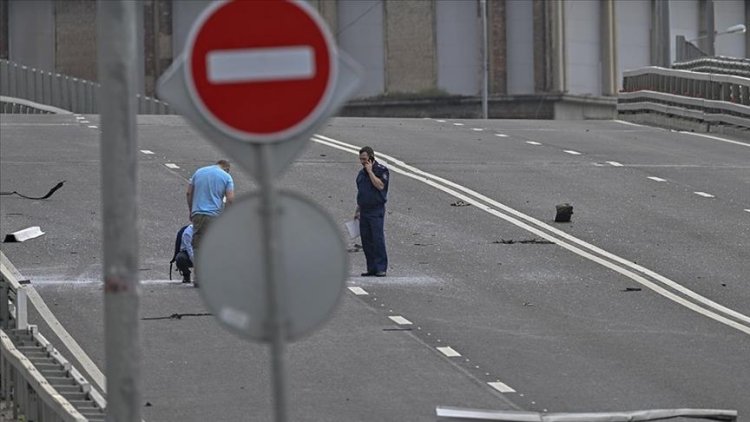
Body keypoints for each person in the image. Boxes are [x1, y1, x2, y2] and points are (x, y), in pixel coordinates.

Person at [186, 160, 234, 286]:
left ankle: (198, 277)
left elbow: (188, 192)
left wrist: (191, 210)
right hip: (214, 215)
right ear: (226, 169)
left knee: (197, 245)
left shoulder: (198, 172)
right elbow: (230, 199)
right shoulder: (226, 177)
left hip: (197, 214)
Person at [354, 146, 389, 277]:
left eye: (364, 159)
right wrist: (357, 210)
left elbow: (380, 185)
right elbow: (361, 193)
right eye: (361, 159)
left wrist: (370, 172)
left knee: (377, 238)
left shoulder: (381, 170)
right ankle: (371, 267)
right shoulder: (361, 174)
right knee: (366, 240)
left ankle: (381, 267)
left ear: (371, 158)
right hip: (364, 210)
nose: (362, 162)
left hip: (376, 210)